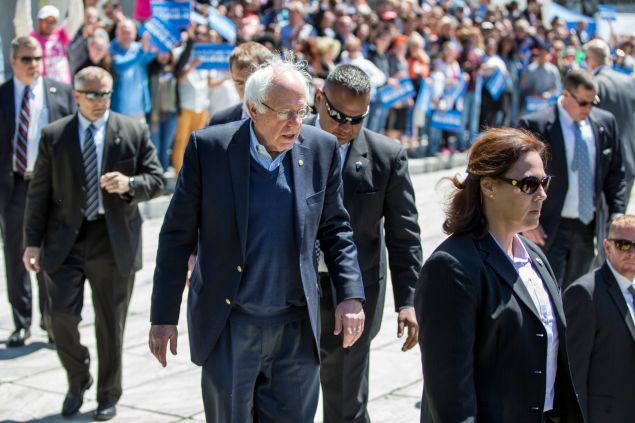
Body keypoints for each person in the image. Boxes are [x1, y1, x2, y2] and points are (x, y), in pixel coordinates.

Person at [148, 57, 366, 422]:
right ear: (252, 108)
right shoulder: (210, 149)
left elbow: (336, 229)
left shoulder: (321, 149)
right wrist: (163, 316)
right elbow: (176, 236)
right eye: (285, 113)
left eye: (302, 111)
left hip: (296, 330)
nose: (296, 123)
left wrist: (351, 295)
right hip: (231, 326)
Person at [23, 66, 164, 420]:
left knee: (110, 323)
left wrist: (130, 184)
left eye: (106, 94)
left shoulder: (132, 129)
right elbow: (38, 194)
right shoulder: (55, 135)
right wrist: (31, 243)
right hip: (64, 241)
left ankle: (108, 394)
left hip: (112, 239)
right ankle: (78, 377)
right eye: (92, 94)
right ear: (76, 95)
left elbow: (158, 179)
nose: (100, 102)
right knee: (58, 319)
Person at [415, 128, 584, 423]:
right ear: (489, 186)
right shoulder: (451, 268)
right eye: (529, 184)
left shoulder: (535, 256)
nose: (542, 194)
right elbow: (450, 394)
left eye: (544, 182)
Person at [308, 64, 422, 422]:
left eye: (357, 120)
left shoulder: (387, 157)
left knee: (345, 403)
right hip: (293, 289)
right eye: (337, 115)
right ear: (318, 100)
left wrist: (409, 300)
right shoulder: (287, 140)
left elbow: (404, 236)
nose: (345, 128)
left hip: (354, 295)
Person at [519, 69, 626, 288]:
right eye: (583, 103)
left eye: (593, 102)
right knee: (544, 290)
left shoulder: (604, 123)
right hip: (548, 226)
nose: (589, 108)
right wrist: (524, 219)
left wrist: (616, 212)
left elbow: (616, 173)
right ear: (566, 95)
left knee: (577, 293)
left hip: (587, 227)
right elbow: (520, 178)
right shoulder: (536, 125)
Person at [0, 36, 75, 347]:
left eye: (38, 59)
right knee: (17, 253)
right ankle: (21, 322)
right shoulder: (2, 96)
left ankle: (50, 320)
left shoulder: (59, 93)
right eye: (27, 59)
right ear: (13, 61)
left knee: (50, 254)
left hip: (51, 189)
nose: (34, 65)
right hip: (14, 186)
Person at [564, 215, 635, 422]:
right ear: (607, 246)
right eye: (623, 244)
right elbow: (573, 373)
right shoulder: (585, 293)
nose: (631, 253)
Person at [585, 39, 635, 206]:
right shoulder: (628, 81)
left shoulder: (593, 84)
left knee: (601, 221)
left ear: (588, 60)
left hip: (602, 160)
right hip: (629, 157)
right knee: (618, 219)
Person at [14, 0, 84, 85]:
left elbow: (76, 18)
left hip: (62, 87)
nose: (49, 24)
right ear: (39, 21)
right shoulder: (32, 40)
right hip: (43, 88)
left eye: (53, 21)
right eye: (46, 20)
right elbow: (21, 21)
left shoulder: (61, 36)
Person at [209, 41, 274, 125]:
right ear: (231, 75)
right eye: (239, 83)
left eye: (252, 82)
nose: (246, 89)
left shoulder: (289, 121)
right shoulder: (219, 122)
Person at [110, 19, 155, 120]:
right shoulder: (112, 48)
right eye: (123, 31)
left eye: (129, 32)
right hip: (118, 111)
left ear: (135, 34)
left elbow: (151, 55)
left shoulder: (139, 48)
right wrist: (141, 52)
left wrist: (152, 43)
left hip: (139, 110)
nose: (126, 35)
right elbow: (119, 66)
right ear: (116, 32)